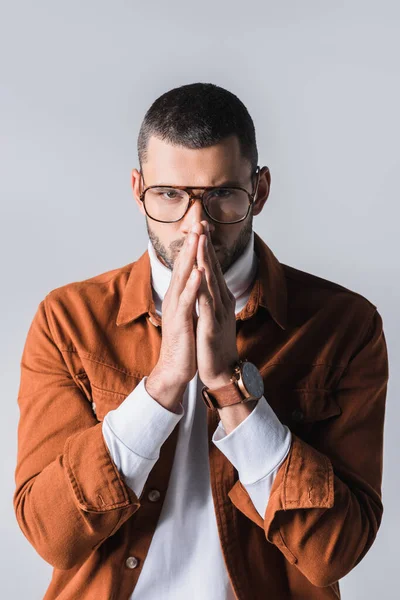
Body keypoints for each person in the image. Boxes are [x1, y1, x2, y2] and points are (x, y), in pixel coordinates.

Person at [13, 83, 389, 600]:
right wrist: (164, 383)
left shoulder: (345, 325)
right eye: (169, 195)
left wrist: (230, 390)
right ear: (137, 189)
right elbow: (50, 533)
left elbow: (335, 553)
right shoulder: (69, 320)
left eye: (221, 196)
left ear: (258, 190)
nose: (196, 226)